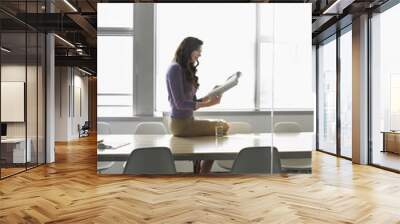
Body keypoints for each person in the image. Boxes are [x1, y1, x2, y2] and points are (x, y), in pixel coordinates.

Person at [166, 37, 229, 174]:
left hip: (188, 122)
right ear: (189, 50)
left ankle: (201, 172)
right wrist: (208, 104)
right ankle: (203, 174)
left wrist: (211, 95)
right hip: (181, 125)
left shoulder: (182, 68)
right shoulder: (175, 69)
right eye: (198, 50)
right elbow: (180, 103)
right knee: (223, 126)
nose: (200, 54)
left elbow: (190, 101)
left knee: (218, 131)